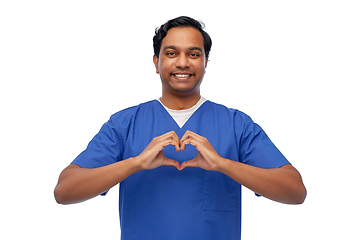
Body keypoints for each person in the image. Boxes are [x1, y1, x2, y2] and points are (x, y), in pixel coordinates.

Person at [54, 16, 306, 240]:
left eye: (194, 54)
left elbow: (295, 191)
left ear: (206, 61)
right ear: (156, 61)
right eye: (172, 53)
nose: (183, 62)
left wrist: (223, 164)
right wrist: (136, 162)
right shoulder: (125, 124)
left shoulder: (236, 124)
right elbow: (65, 191)